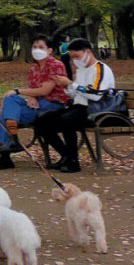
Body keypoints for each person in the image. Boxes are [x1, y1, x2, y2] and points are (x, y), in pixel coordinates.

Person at [33, 37, 116, 172]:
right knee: (42, 121)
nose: (74, 60)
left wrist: (71, 84)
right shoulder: (81, 70)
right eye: (72, 58)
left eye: (77, 56)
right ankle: (66, 155)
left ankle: (73, 161)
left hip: (96, 109)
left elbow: (96, 94)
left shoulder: (100, 68)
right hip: (78, 107)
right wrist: (65, 87)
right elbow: (75, 94)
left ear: (87, 52)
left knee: (67, 120)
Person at [0, 35, 71, 169]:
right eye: (34, 47)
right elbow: (34, 90)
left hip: (52, 105)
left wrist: (20, 91)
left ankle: (5, 155)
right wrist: (31, 97)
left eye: (41, 47)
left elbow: (45, 90)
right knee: (10, 100)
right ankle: (12, 141)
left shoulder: (56, 65)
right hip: (36, 105)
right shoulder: (33, 69)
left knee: (3, 115)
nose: (37, 50)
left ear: (49, 50)